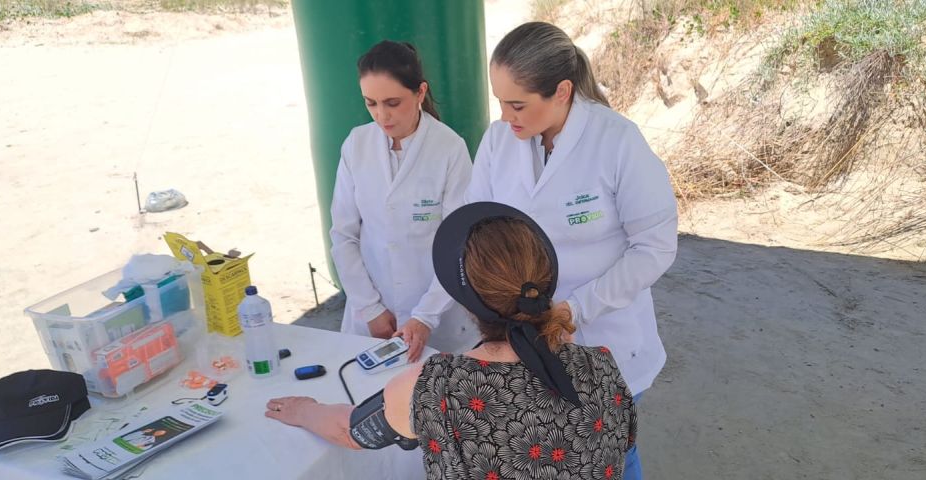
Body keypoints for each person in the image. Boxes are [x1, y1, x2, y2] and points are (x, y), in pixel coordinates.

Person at [266, 202, 638, 480]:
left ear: (467, 302)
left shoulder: (436, 387)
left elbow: (351, 430)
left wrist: (304, 409)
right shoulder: (603, 366)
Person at [464, 21, 679, 479]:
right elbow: (475, 227)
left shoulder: (617, 142)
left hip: (608, 337)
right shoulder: (499, 140)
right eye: (500, 101)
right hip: (522, 339)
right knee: (545, 455)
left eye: (517, 104)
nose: (505, 116)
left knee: (611, 457)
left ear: (561, 91)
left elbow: (654, 247)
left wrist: (577, 309)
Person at [329, 40, 477, 357]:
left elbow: (460, 246)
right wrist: (370, 309)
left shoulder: (450, 149)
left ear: (420, 93)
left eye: (393, 102)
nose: (382, 115)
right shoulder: (357, 144)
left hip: (439, 319)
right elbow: (343, 235)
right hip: (370, 319)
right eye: (371, 103)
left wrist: (424, 316)